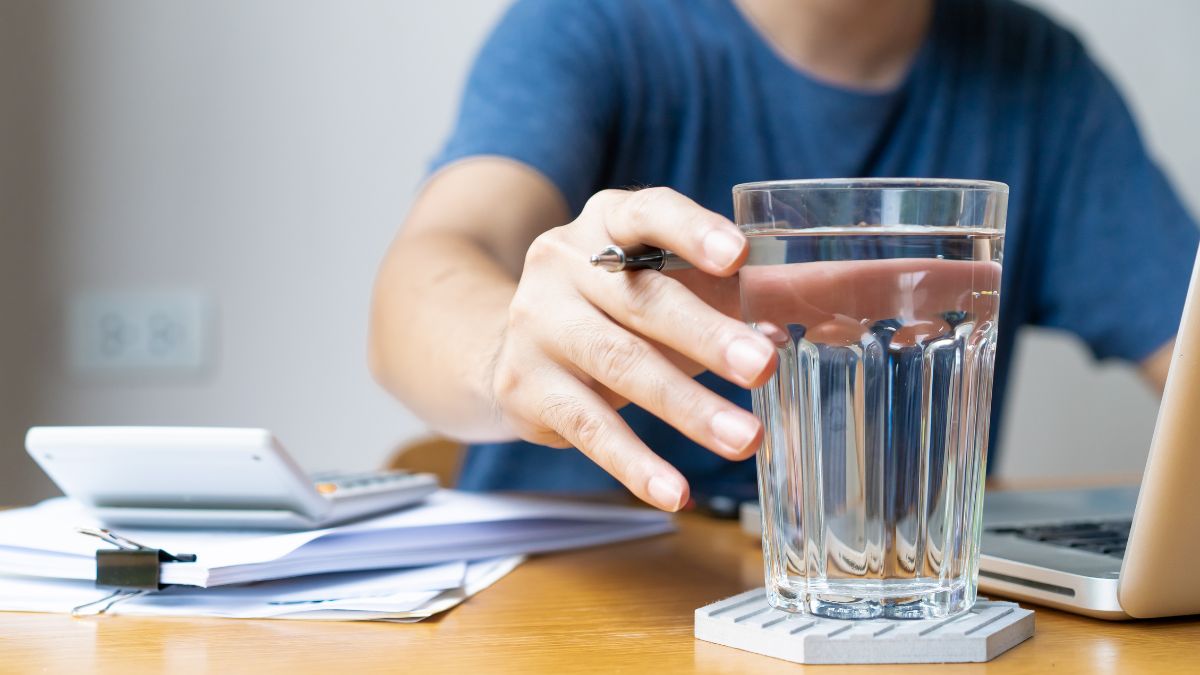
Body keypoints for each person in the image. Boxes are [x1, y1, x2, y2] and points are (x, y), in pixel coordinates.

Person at [369, 0, 1199, 512]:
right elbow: (426, 274)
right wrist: (504, 355)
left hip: (888, 617)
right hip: (568, 611)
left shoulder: (1039, 75)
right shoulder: (590, 24)